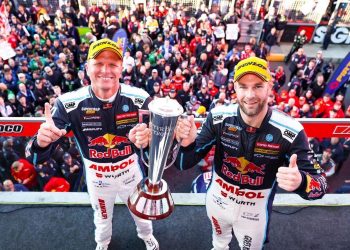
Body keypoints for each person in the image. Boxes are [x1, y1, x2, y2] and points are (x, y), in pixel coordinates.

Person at [171, 57, 327, 250]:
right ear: (235, 88)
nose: (250, 95)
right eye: (243, 87)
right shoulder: (218, 117)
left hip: (254, 215)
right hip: (217, 203)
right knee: (218, 244)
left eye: (258, 86)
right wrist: (186, 144)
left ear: (270, 86)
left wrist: (301, 181)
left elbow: (320, 185)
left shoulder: (292, 131)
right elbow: (184, 164)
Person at [26, 38, 158, 250]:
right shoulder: (69, 103)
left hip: (131, 174)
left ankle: (147, 236)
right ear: (87, 68)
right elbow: (36, 155)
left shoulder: (140, 99)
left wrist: (151, 138)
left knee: (141, 213)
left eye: (113, 64)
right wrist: (40, 142)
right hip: (98, 179)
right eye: (99, 63)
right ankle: (102, 243)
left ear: (121, 69)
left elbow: (160, 144)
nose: (106, 70)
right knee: (102, 218)